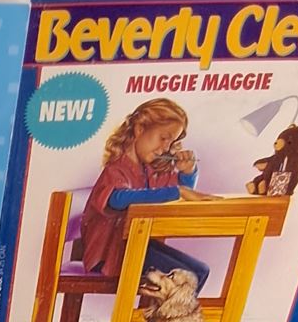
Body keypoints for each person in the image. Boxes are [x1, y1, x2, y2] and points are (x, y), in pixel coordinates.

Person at [77, 96, 211, 293]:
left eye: (171, 142)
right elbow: (117, 199)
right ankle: (171, 313)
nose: (166, 148)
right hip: (109, 255)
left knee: (200, 272)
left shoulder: (146, 170)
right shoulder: (117, 168)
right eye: (163, 138)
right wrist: (178, 191)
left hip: (135, 245)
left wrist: (188, 173)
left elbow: (179, 192)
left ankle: (171, 313)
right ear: (139, 129)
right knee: (185, 279)